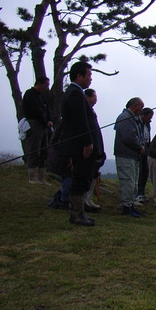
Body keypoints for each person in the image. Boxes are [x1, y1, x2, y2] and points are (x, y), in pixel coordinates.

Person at [58, 61, 96, 227]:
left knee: (83, 177)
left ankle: (80, 213)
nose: (90, 79)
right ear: (79, 76)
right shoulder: (75, 93)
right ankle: (76, 214)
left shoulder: (75, 92)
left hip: (77, 143)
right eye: (88, 75)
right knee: (80, 177)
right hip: (78, 145)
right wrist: (87, 142)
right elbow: (80, 120)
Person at [113, 97, 145, 218]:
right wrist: (139, 147)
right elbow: (128, 137)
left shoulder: (132, 118)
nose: (141, 110)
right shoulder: (125, 117)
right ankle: (126, 207)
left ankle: (131, 205)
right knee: (128, 181)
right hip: (125, 155)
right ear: (135, 106)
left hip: (132, 156)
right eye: (140, 107)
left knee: (133, 182)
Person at [22, 76, 53, 185]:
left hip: (44, 126)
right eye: (45, 85)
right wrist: (45, 121)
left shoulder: (42, 96)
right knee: (35, 149)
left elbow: (47, 109)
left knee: (44, 150)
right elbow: (36, 110)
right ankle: (33, 177)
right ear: (39, 84)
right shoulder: (30, 94)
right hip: (34, 123)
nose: (46, 88)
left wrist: (49, 119)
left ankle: (41, 177)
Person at [83, 89, 106, 211]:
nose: (96, 100)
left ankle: (88, 199)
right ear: (87, 97)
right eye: (94, 97)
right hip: (88, 149)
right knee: (86, 176)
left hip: (96, 148)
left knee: (93, 175)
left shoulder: (91, 111)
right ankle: (83, 201)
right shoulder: (83, 110)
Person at [135, 107, 154, 203]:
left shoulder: (148, 125)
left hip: (146, 148)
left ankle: (141, 193)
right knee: (138, 172)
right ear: (143, 115)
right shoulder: (137, 123)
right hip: (138, 149)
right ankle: (136, 194)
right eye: (149, 117)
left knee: (145, 172)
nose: (150, 119)